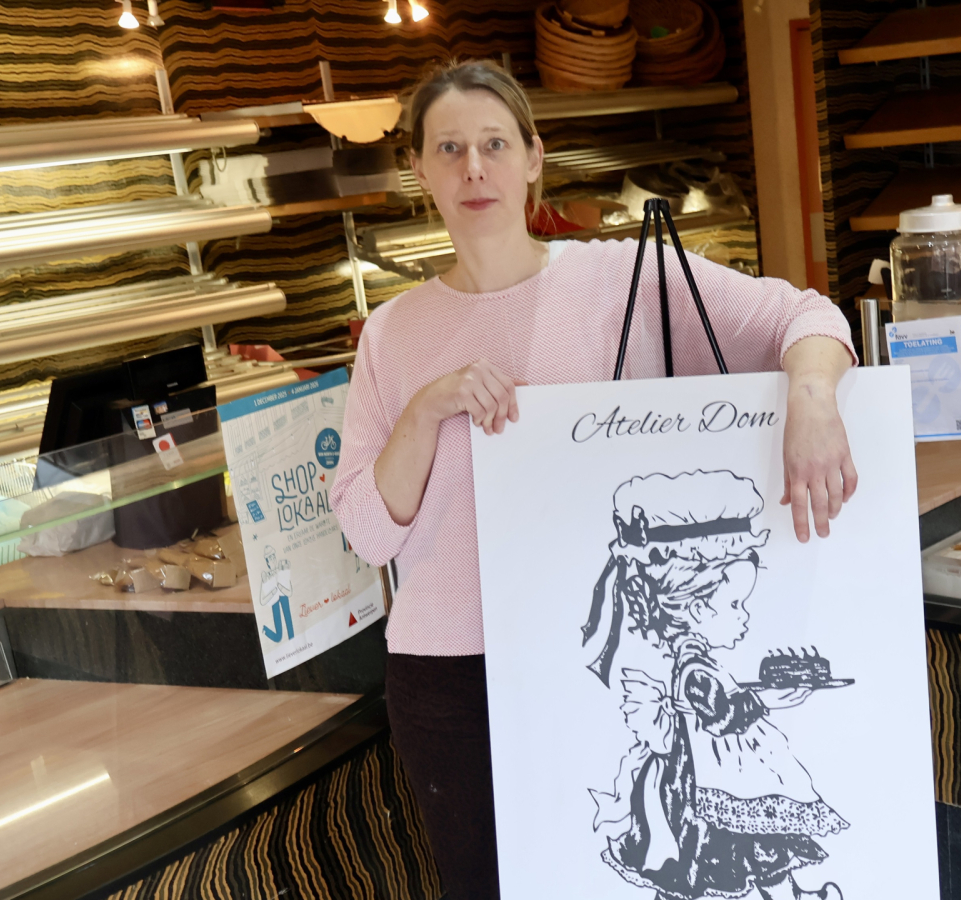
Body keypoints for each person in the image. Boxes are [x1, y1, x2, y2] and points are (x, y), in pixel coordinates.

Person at [332, 58, 858, 900]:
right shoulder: (392, 334)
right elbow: (366, 531)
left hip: (585, 669)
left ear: (534, 157)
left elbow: (803, 314)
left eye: (495, 144)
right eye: (450, 149)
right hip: (448, 681)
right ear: (419, 170)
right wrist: (426, 410)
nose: (474, 169)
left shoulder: (620, 279)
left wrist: (812, 396)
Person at [586, 471, 847, 900]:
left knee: (747, 854)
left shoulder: (688, 657)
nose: (744, 616)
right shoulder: (693, 666)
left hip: (712, 773)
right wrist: (766, 700)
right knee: (738, 853)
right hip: (706, 781)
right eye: (734, 604)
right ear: (695, 608)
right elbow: (720, 715)